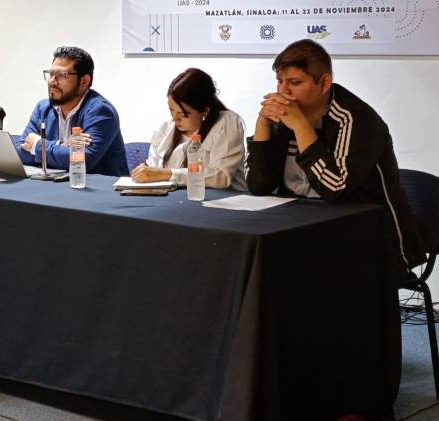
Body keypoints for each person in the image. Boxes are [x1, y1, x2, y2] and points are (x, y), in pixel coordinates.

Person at [246, 39, 423, 270]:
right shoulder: (283, 119)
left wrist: (301, 126)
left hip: (372, 238)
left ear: (325, 82)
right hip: (301, 228)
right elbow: (259, 185)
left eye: (295, 82)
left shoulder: (356, 119)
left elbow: (335, 189)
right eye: (279, 81)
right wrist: (263, 124)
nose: (283, 92)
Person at [15, 46, 128, 176]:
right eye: (51, 74)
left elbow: (83, 160)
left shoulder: (100, 111)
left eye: (61, 75)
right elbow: (19, 150)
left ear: (84, 81)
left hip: (100, 191)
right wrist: (61, 144)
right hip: (57, 186)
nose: (52, 82)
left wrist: (38, 145)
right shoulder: (43, 108)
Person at [131, 68, 246, 190]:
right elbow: (154, 168)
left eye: (183, 114)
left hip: (222, 202)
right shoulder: (166, 128)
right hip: (175, 201)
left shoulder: (226, 123)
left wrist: (168, 174)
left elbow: (221, 176)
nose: (175, 119)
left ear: (205, 111)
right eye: (171, 110)